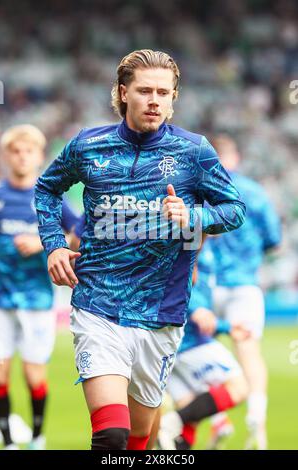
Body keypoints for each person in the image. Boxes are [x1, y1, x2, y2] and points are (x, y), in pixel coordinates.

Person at [34, 49, 245, 451]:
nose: (154, 100)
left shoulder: (194, 152)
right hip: (98, 305)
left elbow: (234, 210)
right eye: (144, 90)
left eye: (163, 93)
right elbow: (46, 189)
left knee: (138, 441)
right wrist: (55, 244)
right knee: (110, 436)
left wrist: (193, 218)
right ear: (122, 92)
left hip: (161, 313)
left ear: (173, 98)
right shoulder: (88, 145)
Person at [0, 125, 78, 450]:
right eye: (16, 151)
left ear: (39, 156)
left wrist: (44, 243)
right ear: (7, 156)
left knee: (35, 376)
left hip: (37, 299)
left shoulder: (48, 198)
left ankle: (37, 438)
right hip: (0, 300)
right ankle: (8, 441)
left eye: (28, 151)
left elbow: (78, 235)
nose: (21, 156)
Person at [209, 134, 281, 450]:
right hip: (244, 284)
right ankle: (256, 418)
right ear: (234, 157)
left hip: (206, 285)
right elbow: (274, 242)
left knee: (203, 353)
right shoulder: (254, 192)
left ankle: (217, 419)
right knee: (249, 352)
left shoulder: (201, 191)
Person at [157, 240, 249, 450]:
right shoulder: (191, 238)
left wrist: (224, 327)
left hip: (166, 345)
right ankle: (169, 422)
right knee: (239, 387)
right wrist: (199, 311)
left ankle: (172, 436)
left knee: (191, 414)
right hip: (190, 341)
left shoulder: (206, 243)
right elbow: (181, 280)